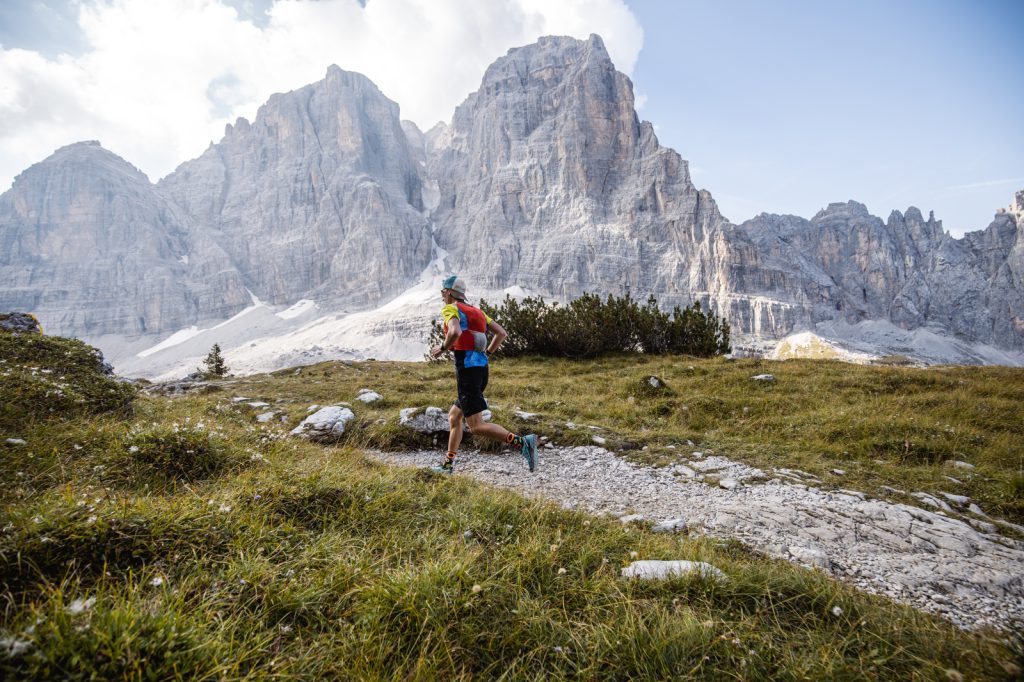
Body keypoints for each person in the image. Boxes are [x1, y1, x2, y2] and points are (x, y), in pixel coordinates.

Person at [429, 275, 537, 474]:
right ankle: (448, 465)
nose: (442, 296)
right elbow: (501, 333)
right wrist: (487, 353)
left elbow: (455, 332)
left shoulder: (451, 308)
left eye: (443, 292)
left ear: (450, 293)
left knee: (476, 426)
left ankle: (523, 443)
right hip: (481, 370)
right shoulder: (477, 312)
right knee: (454, 416)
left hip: (467, 373)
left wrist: (442, 348)